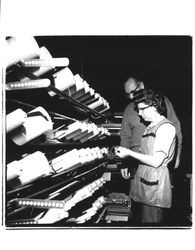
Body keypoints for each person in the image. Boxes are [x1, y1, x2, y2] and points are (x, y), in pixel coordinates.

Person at [115, 89, 176, 225]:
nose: (139, 113)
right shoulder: (152, 126)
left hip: (154, 185)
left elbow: (156, 161)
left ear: (154, 106)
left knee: (151, 223)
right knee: (143, 221)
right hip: (147, 180)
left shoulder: (165, 128)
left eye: (142, 109)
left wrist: (129, 153)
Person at [120, 77, 182, 180]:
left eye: (133, 92)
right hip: (136, 163)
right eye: (127, 94)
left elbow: (176, 129)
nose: (131, 97)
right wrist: (125, 162)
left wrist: (178, 155)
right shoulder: (128, 110)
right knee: (138, 193)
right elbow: (125, 137)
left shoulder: (163, 103)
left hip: (159, 163)